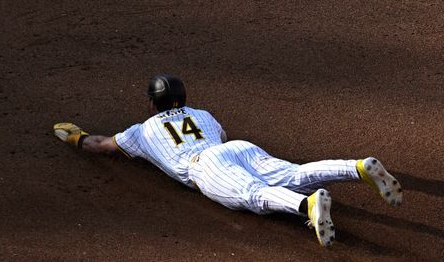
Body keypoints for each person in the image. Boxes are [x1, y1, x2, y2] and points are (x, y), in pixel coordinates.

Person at [53, 74, 403, 248]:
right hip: (237, 147)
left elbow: (103, 145)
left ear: (152, 104)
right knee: (294, 172)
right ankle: (356, 167)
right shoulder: (203, 114)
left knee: (254, 195)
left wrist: (78, 137)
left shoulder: (141, 131)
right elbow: (219, 136)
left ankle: (306, 205)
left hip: (204, 165)